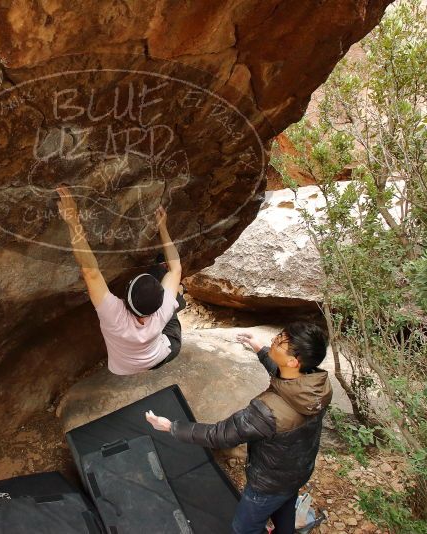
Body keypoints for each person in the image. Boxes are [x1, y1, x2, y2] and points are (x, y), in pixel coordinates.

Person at [145, 323, 332, 534]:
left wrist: (172, 427)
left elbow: (219, 436)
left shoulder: (267, 412)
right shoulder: (318, 388)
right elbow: (286, 379)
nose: (274, 340)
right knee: (285, 511)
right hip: (298, 471)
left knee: (243, 528)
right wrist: (260, 349)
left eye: (280, 342)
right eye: (279, 334)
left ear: (293, 361)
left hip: (267, 485)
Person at [56, 185, 185, 375]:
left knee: (160, 272)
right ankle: (178, 297)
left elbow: (90, 272)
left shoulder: (114, 316)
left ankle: (179, 297)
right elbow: (176, 269)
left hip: (129, 364)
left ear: (125, 298)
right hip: (162, 353)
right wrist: (163, 228)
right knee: (162, 270)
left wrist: (73, 220)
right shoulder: (162, 311)